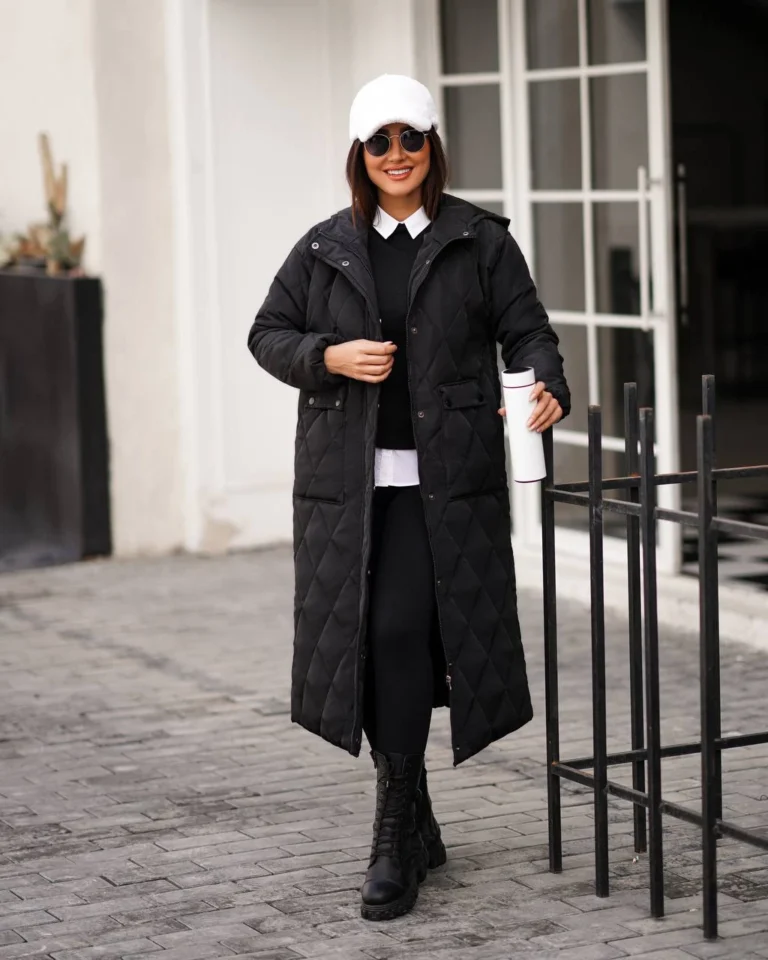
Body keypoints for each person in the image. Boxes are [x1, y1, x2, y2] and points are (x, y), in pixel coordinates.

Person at [247, 74, 570, 921]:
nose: (397, 155)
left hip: (450, 484)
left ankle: (396, 828)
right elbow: (267, 334)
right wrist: (328, 357)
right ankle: (410, 821)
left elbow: (529, 333)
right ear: (360, 155)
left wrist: (547, 387)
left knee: (408, 634)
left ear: (432, 146)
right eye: (379, 142)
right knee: (383, 639)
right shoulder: (325, 245)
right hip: (352, 489)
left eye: (410, 139)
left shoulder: (479, 240)